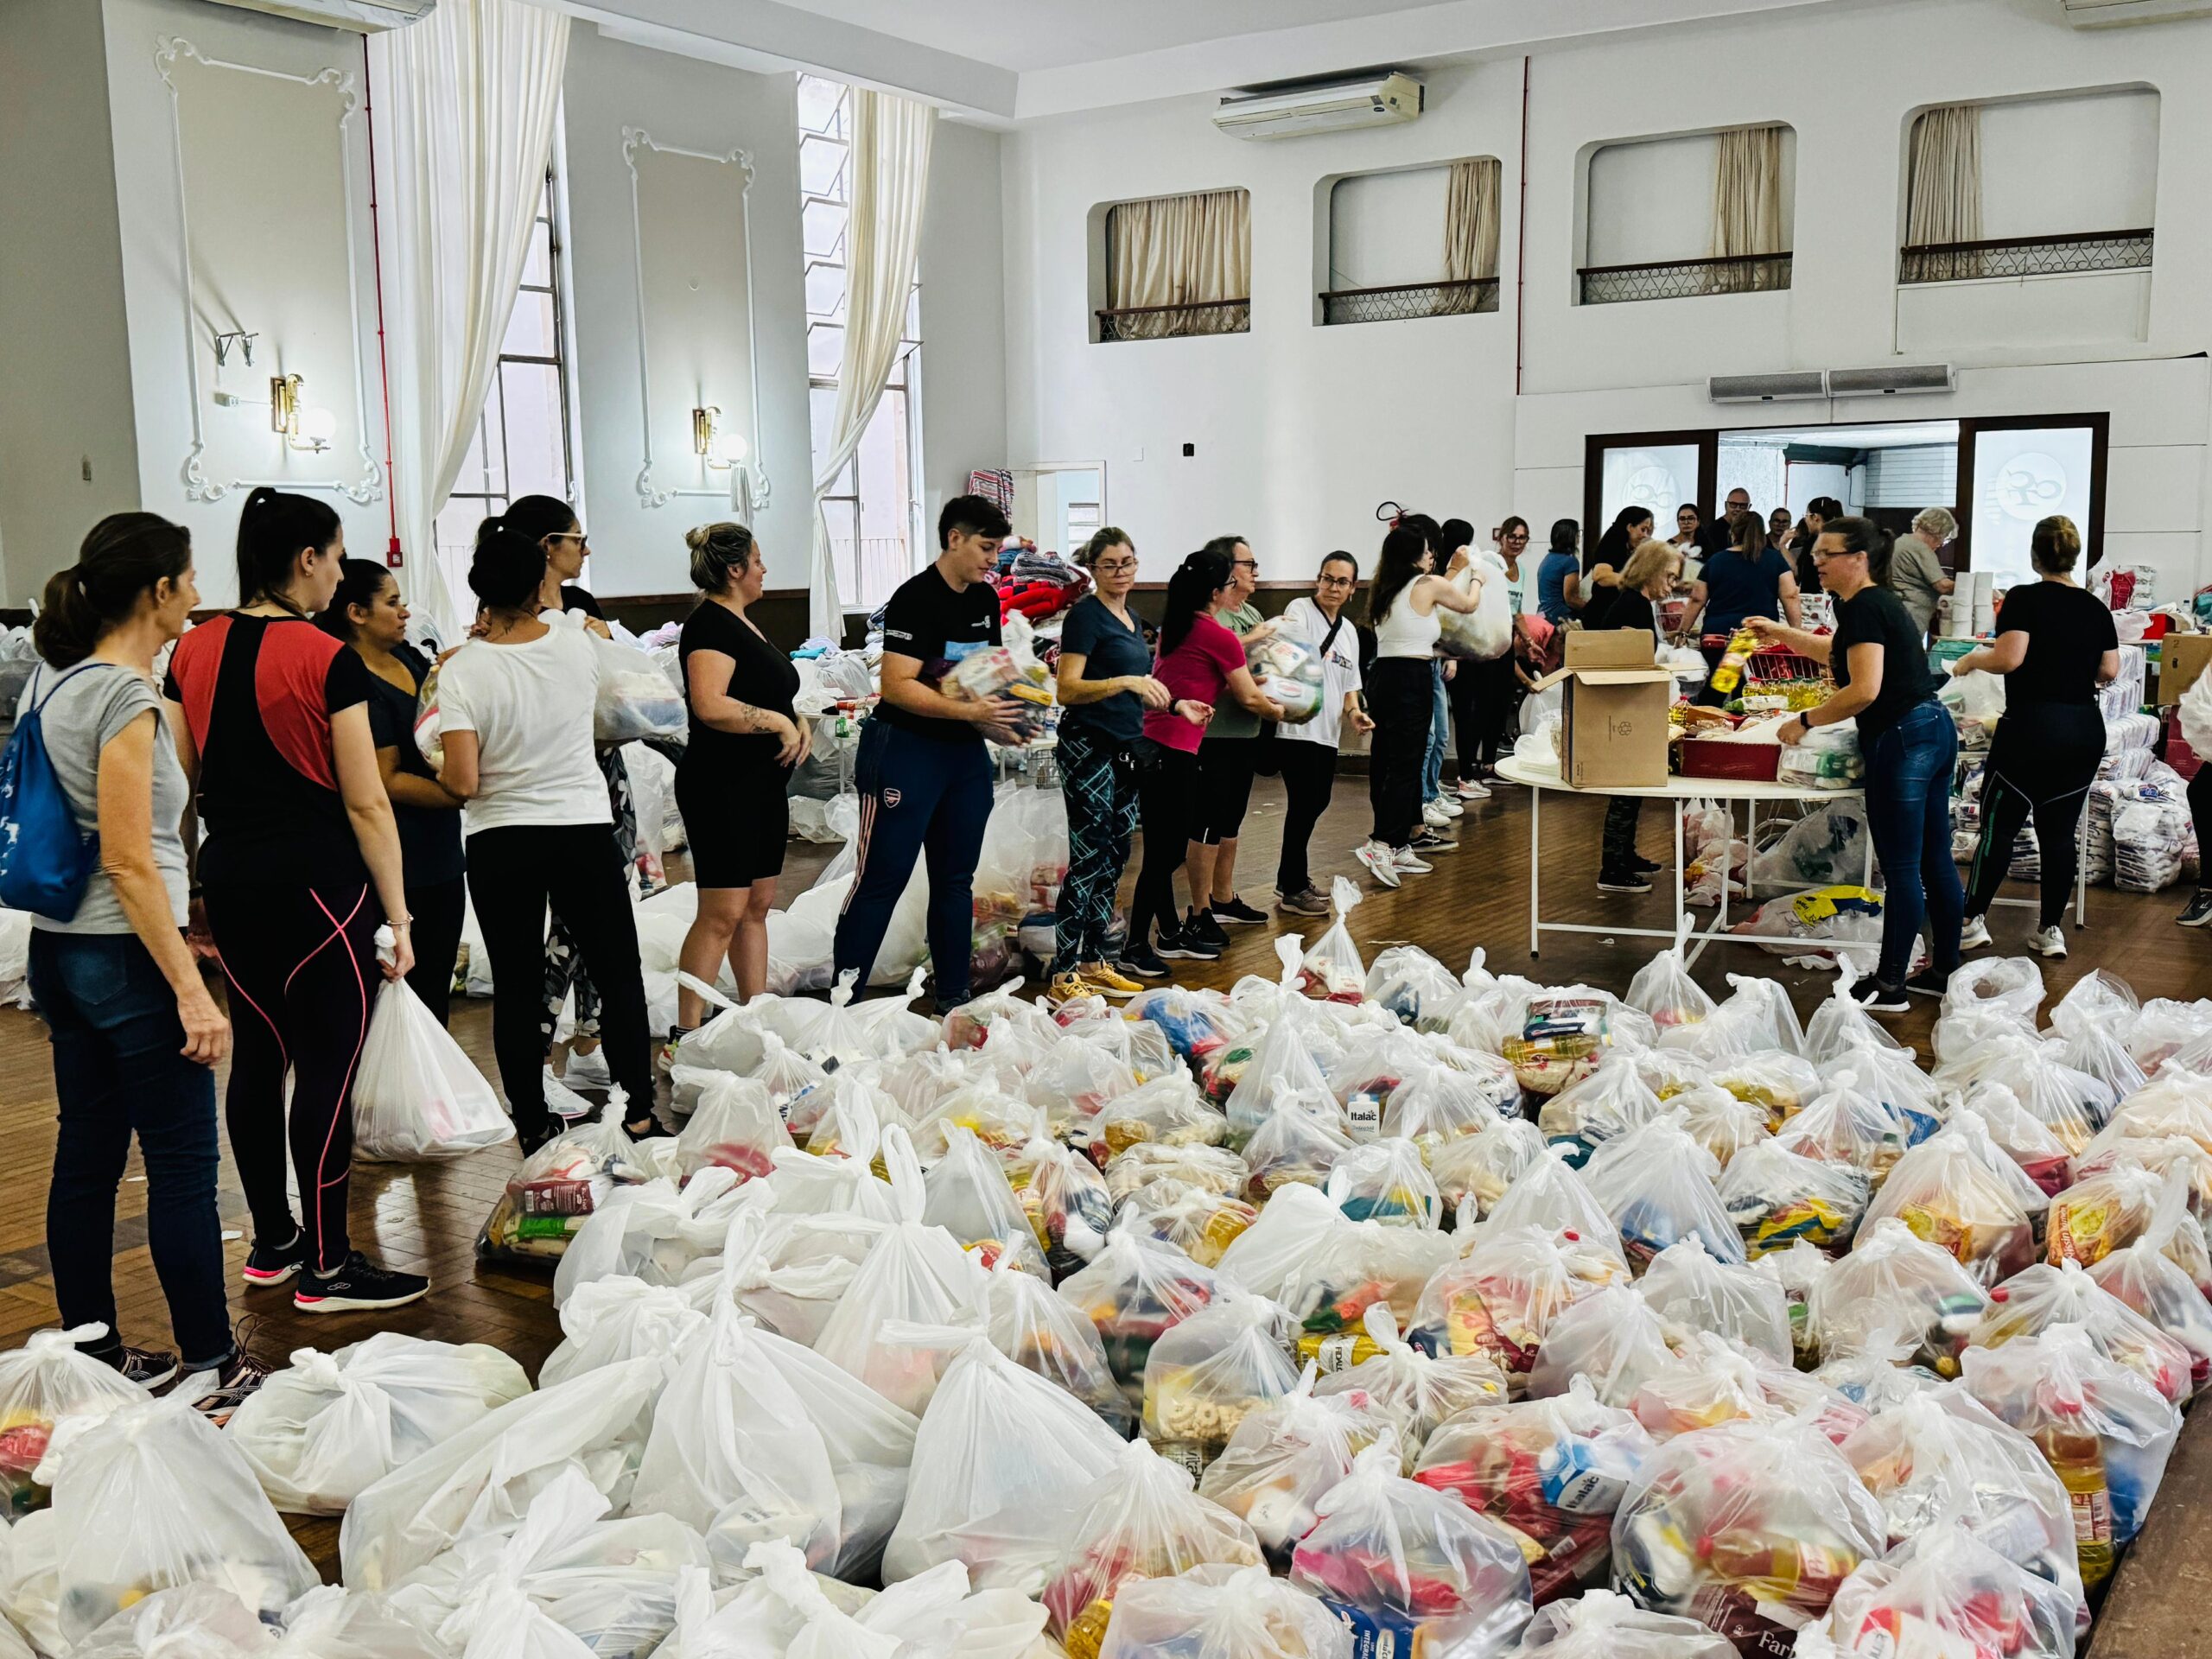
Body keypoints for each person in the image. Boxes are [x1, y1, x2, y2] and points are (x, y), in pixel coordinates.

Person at [23, 514, 271, 1416]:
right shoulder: (124, 695)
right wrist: (189, 990)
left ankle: (95, 1354)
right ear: (158, 591)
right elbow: (129, 859)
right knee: (181, 1167)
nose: (198, 595)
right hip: (125, 955)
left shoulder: (52, 682)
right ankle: (212, 1363)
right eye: (189, 579)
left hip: (61, 950)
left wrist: (183, 906)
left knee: (87, 1160)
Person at [163, 486, 425, 1313]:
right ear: (308, 559)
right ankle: (329, 1263)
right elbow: (367, 802)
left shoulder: (191, 648)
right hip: (321, 886)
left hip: (231, 877)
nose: (341, 575)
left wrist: (191, 886)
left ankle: (273, 1244)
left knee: (258, 1057)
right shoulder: (327, 656)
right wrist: (400, 916)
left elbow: (178, 790)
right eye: (337, 557)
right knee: (327, 1068)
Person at [435, 520, 661, 1150]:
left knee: (517, 983)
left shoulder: (461, 671)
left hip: (500, 838)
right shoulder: (575, 644)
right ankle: (640, 1114)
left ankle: (533, 1125)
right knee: (618, 973)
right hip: (581, 828)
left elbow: (462, 780)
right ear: (540, 582)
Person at [1749, 516, 1961, 1013]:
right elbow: (1836, 651)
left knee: (1903, 868)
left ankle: (1890, 986)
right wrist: (1780, 632)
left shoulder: (1865, 606)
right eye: (1815, 554)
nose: (1816, 562)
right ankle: (1945, 969)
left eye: (1827, 554)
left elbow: (1864, 690)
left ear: (1859, 558)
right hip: (1933, 728)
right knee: (1934, 859)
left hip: (1902, 738)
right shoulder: (1873, 604)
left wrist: (1805, 720)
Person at [835, 496, 1022, 1005]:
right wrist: (972, 712)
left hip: (962, 757)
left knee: (956, 880)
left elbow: (985, 679)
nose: (993, 560)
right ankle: (843, 1006)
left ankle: (953, 999)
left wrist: (1006, 722)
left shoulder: (985, 599)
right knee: (882, 879)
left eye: (998, 549)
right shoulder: (915, 598)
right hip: (905, 750)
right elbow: (897, 686)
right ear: (954, 539)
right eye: (986, 547)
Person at [499, 494, 631, 1087]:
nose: (586, 550)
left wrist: (602, 644)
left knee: (605, 915)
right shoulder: (506, 611)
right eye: (577, 539)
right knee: (561, 926)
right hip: (544, 776)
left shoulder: (581, 607)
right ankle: (538, 1052)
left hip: (600, 769)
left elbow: (613, 686)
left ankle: (588, 1038)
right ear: (548, 546)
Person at [1953, 516, 2118, 960]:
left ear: (2034, 555)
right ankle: (2050, 931)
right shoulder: (2095, 607)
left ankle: (1971, 921)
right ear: (2074, 557)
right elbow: (2109, 670)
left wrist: (1972, 660)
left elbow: (2009, 658)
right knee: (2059, 834)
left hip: (2031, 728)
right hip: (2083, 730)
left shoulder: (2023, 598)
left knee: (1999, 827)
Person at [315, 562, 466, 1024]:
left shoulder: (407, 657)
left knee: (436, 983)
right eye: (393, 602)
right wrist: (458, 794)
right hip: (397, 852)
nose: (405, 613)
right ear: (357, 613)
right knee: (399, 993)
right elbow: (386, 777)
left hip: (440, 847)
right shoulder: (353, 677)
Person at [671, 522, 804, 1031]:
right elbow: (710, 705)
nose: (764, 569)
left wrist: (797, 720)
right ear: (734, 569)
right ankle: (685, 1032)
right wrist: (776, 722)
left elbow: (765, 690)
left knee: (757, 906)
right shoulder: (709, 625)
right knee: (722, 912)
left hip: (762, 784)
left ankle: (756, 1019)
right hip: (721, 786)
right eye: (758, 560)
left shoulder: (743, 621)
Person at [1128, 550, 1278, 971]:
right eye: (1231, 581)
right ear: (1216, 592)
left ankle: (1169, 932)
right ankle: (1135, 945)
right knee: (1165, 854)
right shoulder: (1217, 634)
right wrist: (1284, 712)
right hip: (1172, 749)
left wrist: (1241, 684)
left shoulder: (1179, 625)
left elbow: (1193, 677)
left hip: (1154, 743)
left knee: (1162, 849)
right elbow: (1250, 698)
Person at [1048, 528, 1169, 1000]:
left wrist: (1176, 705)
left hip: (1126, 749)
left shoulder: (1132, 618)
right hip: (1088, 747)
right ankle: (1063, 973)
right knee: (1089, 856)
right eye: (1110, 565)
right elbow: (1068, 689)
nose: (1121, 572)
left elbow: (1136, 687)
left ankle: (1095, 960)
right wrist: (1125, 682)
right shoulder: (1085, 616)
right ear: (1093, 569)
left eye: (1127, 562)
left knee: (1117, 855)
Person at [1356, 526, 1483, 888]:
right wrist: (1478, 578)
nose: (1431, 557)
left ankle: (1398, 843)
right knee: (1405, 764)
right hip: (1410, 680)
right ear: (1414, 555)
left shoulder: (1385, 589)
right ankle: (1382, 843)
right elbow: (1468, 604)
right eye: (1428, 551)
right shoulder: (1426, 584)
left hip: (1384, 677)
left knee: (1387, 760)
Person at [1275, 551, 1373, 916]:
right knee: (1304, 804)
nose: (1333, 587)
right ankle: (1293, 887)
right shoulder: (1300, 609)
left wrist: (1355, 713)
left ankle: (1291, 877)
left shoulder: (1349, 632)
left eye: (1342, 582)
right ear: (1318, 579)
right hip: (1296, 728)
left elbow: (1350, 686)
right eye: (1328, 579)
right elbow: (1287, 655)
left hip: (1327, 733)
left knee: (1317, 802)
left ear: (1353, 588)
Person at [1185, 534, 1271, 947]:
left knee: (1232, 818)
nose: (1255, 571)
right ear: (1226, 570)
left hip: (1246, 730)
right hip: (1212, 735)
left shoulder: (1251, 613)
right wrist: (1256, 638)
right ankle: (1199, 908)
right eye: (1248, 563)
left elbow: (1257, 668)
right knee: (1207, 820)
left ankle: (1223, 897)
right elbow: (1215, 653)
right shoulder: (1211, 615)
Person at [1593, 541, 1682, 897]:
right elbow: (1629, 660)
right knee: (1625, 791)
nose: (1672, 586)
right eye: (1670, 577)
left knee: (1632, 790)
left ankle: (1624, 855)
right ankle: (1613, 866)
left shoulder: (1637, 603)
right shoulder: (1633, 605)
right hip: (1624, 708)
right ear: (1652, 570)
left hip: (1628, 705)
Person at [1450, 517, 1529, 795]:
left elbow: (1515, 612)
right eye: (1512, 536)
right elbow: (1473, 606)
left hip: (1499, 643)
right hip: (1479, 645)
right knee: (1474, 710)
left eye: (1522, 537)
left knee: (1496, 706)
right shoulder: (1481, 564)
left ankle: (1486, 765)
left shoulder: (1515, 569)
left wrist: (1528, 640)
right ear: (1501, 538)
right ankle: (1467, 772)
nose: (1517, 542)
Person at [1891, 507, 1958, 638]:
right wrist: (1970, 586)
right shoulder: (1920, 548)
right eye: (1944, 538)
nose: (1942, 544)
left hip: (1897, 612)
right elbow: (1942, 586)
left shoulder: (1900, 542)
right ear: (1938, 531)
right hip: (1911, 615)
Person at [1535, 519, 1586, 628]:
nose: (1579, 537)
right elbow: (1571, 599)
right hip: (1561, 617)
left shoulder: (1547, 559)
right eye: (1578, 533)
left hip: (1544, 615)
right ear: (1571, 536)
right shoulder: (1570, 562)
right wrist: (1591, 607)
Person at [1789, 496, 1842, 592]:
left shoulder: (1814, 542)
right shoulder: (1841, 539)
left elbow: (1801, 573)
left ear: (1815, 517)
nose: (1805, 520)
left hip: (1815, 596)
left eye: (1806, 515)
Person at [1587, 505, 1655, 578]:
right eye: (1643, 529)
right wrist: (1633, 581)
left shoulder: (1633, 548)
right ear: (1630, 527)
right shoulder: (1611, 545)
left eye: (1647, 531)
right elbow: (1600, 575)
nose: (1645, 535)